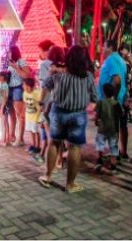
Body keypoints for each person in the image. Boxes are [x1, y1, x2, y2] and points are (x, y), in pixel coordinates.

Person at [39, 45, 98, 193]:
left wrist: (52, 72)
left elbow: (45, 85)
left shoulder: (58, 75)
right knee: (74, 147)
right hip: (78, 114)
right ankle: (70, 184)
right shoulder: (88, 77)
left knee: (54, 143)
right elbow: (95, 98)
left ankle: (47, 176)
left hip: (58, 112)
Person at [98, 40, 129, 160]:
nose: (102, 48)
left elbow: (117, 80)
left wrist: (113, 99)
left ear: (110, 47)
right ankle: (122, 153)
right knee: (121, 126)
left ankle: (114, 159)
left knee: (112, 130)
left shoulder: (111, 60)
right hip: (121, 98)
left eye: (104, 46)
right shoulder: (120, 59)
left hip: (114, 101)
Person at [94, 83, 123, 175]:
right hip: (113, 129)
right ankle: (113, 165)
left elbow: (97, 115)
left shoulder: (101, 102)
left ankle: (99, 160)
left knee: (100, 144)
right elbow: (121, 114)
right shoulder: (117, 103)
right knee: (113, 146)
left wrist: (96, 121)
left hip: (102, 128)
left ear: (104, 92)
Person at [7, 45, 31, 146]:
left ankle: (20, 138)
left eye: (10, 52)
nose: (8, 54)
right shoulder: (10, 62)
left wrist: (16, 67)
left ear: (14, 52)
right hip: (10, 88)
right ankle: (12, 135)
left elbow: (27, 75)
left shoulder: (21, 61)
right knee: (11, 114)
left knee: (20, 115)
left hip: (18, 88)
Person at [37, 40, 54, 160]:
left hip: (47, 101)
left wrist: (41, 102)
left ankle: (47, 154)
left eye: (41, 51)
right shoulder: (58, 64)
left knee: (46, 128)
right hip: (56, 100)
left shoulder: (44, 64)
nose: (40, 53)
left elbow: (44, 86)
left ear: (47, 51)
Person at [22, 77, 43, 163]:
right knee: (31, 131)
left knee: (36, 131)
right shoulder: (25, 93)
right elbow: (25, 104)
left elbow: (41, 104)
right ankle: (33, 145)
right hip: (28, 115)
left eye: (24, 85)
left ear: (29, 86)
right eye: (23, 85)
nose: (23, 87)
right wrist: (22, 113)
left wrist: (40, 115)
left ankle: (38, 147)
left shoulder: (37, 93)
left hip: (35, 116)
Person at [0, 71, 12, 146]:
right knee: (5, 122)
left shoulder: (4, 86)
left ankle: (3, 140)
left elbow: (4, 97)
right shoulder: (4, 85)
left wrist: (2, 108)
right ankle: (7, 139)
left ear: (2, 77)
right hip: (3, 104)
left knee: (3, 123)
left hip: (2, 104)